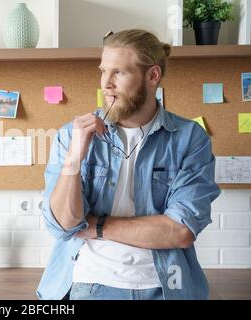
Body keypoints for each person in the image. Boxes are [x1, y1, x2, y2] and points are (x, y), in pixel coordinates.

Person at [37, 29, 221, 300]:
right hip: (90, 283)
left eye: (118, 73)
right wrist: (75, 157)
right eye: (103, 71)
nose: (106, 83)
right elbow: (65, 226)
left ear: (153, 76)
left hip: (166, 286)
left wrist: (96, 226)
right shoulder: (72, 135)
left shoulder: (190, 138)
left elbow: (180, 231)